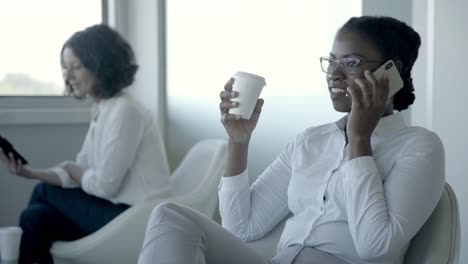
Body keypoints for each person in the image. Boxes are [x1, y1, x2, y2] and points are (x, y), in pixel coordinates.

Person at [138, 16, 445, 264]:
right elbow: (241, 226)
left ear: (390, 72)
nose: (335, 74)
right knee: (170, 217)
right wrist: (238, 141)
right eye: (332, 61)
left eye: (351, 62)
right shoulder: (310, 141)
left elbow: (374, 246)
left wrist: (359, 138)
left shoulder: (419, 146)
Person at [0, 24, 171, 264]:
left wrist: (75, 172)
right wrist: (29, 173)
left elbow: (104, 185)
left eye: (75, 67)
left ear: (100, 65)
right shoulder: (103, 109)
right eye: (65, 68)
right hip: (113, 209)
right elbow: (81, 170)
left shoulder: (124, 110)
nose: (67, 76)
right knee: (34, 217)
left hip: (136, 217)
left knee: (42, 192)